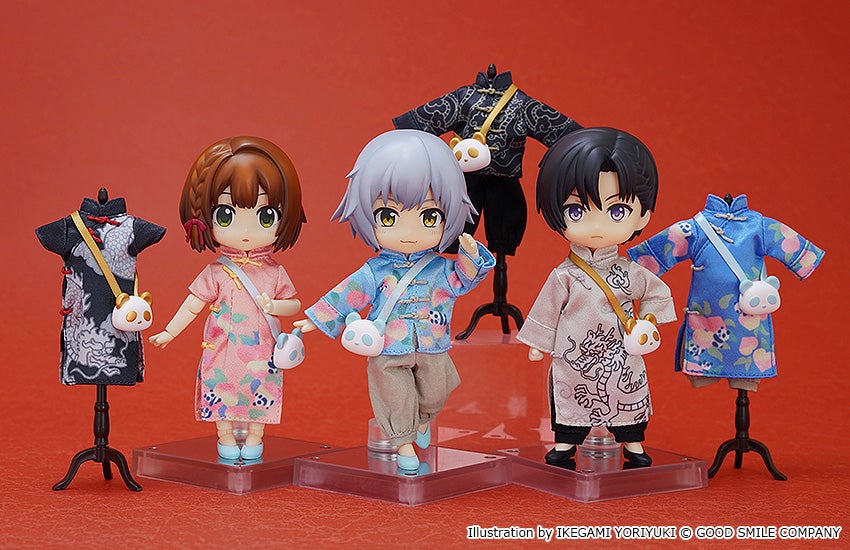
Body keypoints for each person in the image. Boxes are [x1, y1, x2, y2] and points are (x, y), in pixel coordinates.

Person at [295, 130, 495, 470]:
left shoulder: (440, 268)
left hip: (432, 344)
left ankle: (422, 419)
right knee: (395, 395)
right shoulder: (376, 270)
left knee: (437, 390)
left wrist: (471, 256)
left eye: (429, 217)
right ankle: (404, 444)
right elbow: (349, 292)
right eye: (388, 217)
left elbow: (462, 280)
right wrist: (317, 319)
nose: (409, 231)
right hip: (388, 346)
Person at [517, 127, 675, 468]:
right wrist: (538, 343)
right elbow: (547, 308)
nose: (597, 225)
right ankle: (565, 444)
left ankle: (633, 443)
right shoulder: (564, 275)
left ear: (643, 215)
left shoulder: (630, 272)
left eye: (617, 211)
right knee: (571, 396)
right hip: (575, 354)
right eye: (576, 211)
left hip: (621, 350)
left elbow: (656, 292)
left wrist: (648, 322)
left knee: (627, 393)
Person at [149, 136, 306, 461]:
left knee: (261, 391)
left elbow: (294, 304)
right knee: (220, 388)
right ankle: (224, 435)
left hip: (262, 351)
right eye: (225, 215)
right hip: (222, 349)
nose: (245, 231)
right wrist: (170, 331)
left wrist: (275, 306)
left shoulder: (274, 272)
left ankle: (255, 436)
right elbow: (193, 303)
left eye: (265, 216)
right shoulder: (216, 272)